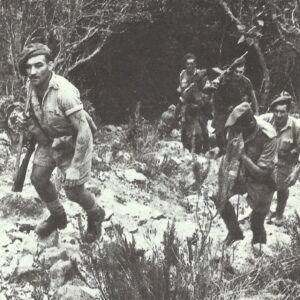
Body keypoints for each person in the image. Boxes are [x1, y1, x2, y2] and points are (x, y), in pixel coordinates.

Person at [17, 43, 105, 242]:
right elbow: (35, 114)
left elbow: (84, 130)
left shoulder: (64, 92)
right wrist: (27, 121)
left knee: (73, 191)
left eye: (38, 65)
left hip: (73, 142)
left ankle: (95, 213)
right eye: (28, 67)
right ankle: (58, 216)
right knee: (38, 178)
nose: (32, 71)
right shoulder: (31, 85)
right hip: (49, 140)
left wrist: (75, 167)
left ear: (50, 64)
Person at [219, 102, 277, 246]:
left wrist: (243, 156)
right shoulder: (236, 129)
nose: (237, 133)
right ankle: (235, 233)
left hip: (263, 181)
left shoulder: (267, 135)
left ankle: (258, 247)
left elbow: (263, 174)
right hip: (242, 174)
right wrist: (225, 184)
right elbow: (229, 158)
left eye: (240, 130)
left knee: (256, 222)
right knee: (220, 198)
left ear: (250, 123)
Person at [260, 93, 300, 226]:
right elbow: (251, 121)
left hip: (286, 161)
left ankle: (279, 213)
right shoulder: (266, 119)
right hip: (268, 159)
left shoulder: (296, 127)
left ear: (288, 111)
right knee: (265, 186)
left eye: (282, 112)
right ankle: (265, 211)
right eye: (276, 111)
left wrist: (296, 172)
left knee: (282, 188)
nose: (278, 115)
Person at [212, 56, 259, 156]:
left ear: (243, 71)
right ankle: (222, 150)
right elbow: (216, 98)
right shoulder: (224, 80)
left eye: (240, 72)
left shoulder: (246, 82)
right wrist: (223, 109)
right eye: (236, 71)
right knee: (219, 130)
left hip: (238, 110)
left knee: (248, 127)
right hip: (224, 108)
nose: (238, 74)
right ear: (233, 70)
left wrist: (256, 112)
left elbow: (253, 98)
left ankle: (242, 150)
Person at [174, 53, 211, 154]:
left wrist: (201, 100)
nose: (189, 66)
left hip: (199, 106)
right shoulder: (182, 74)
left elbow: (208, 92)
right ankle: (187, 150)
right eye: (187, 63)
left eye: (192, 63)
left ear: (195, 64)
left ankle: (206, 149)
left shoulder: (201, 75)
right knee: (185, 130)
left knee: (202, 129)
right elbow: (180, 90)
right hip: (187, 105)